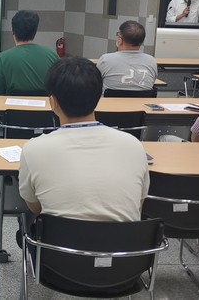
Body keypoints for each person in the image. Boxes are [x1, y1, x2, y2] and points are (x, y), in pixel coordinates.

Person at [18, 56, 150, 221]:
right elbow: (138, 204)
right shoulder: (134, 145)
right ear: (99, 97)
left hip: (58, 245)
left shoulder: (33, 149)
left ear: (53, 102)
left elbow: (35, 207)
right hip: (124, 245)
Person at [0, 10, 59, 95]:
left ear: (12, 30)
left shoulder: (2, 58)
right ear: (35, 31)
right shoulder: (52, 55)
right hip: (47, 108)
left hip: (11, 108)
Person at [97, 20, 157, 92]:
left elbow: (96, 83)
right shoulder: (151, 61)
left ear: (120, 40)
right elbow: (152, 82)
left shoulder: (106, 60)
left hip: (112, 102)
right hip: (141, 103)